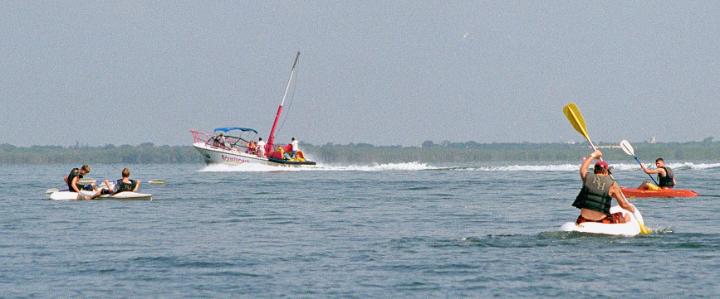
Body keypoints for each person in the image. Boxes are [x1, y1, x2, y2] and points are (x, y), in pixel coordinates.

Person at [572, 149, 636, 224]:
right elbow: (623, 205)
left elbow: (583, 169)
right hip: (602, 221)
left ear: (595, 170)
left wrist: (593, 155)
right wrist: (633, 210)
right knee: (625, 216)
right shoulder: (613, 184)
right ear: (606, 171)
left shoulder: (587, 177)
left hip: (583, 220)